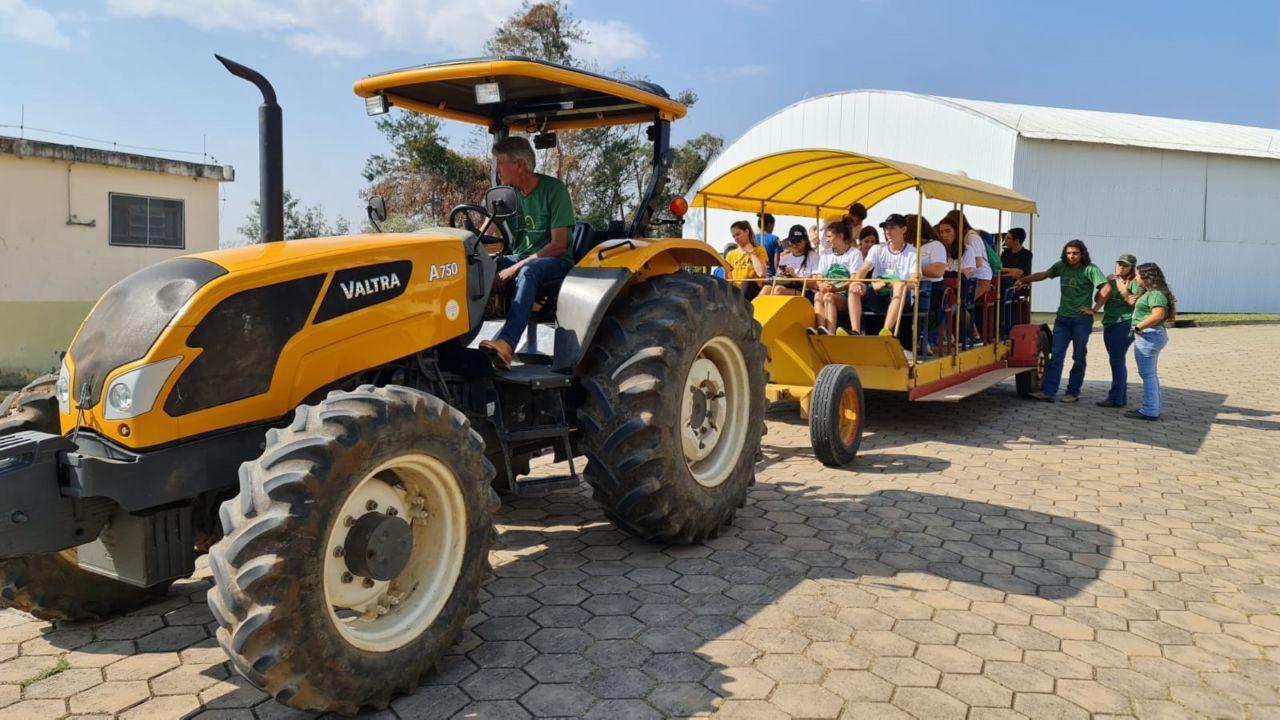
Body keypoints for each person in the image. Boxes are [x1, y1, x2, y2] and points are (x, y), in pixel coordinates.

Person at [479, 136, 574, 370]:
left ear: (519, 165)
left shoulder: (554, 191)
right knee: (479, 266)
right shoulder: (507, 195)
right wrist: (470, 250)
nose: (497, 169)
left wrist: (515, 267)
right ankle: (458, 338)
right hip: (522, 257)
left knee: (528, 270)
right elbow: (486, 229)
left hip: (555, 261)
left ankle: (506, 343)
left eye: (500, 163)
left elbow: (558, 245)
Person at [1016, 239, 1107, 402]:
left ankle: (1073, 392)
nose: (1072, 256)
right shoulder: (1061, 266)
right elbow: (1043, 275)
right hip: (1062, 320)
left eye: (1075, 253)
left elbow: (1106, 288)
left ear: (1082, 254)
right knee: (1056, 356)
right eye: (1069, 253)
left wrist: (1094, 309)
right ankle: (1048, 392)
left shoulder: (1090, 269)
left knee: (1078, 357)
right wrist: (1023, 280)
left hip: (1081, 321)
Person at [855, 214, 918, 339]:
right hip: (877, 296)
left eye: (892, 227)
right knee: (854, 287)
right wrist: (856, 282)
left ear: (904, 229)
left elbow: (914, 282)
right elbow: (863, 269)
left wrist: (888, 283)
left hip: (901, 298)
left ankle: (886, 331)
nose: (888, 231)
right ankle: (855, 331)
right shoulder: (877, 249)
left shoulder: (913, 253)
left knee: (900, 285)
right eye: (886, 228)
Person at [1127, 263, 1175, 421]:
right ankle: (1152, 407)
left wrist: (1138, 328)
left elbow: (1158, 315)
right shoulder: (1152, 293)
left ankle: (1150, 410)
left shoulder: (1155, 294)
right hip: (1150, 335)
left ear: (1147, 277)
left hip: (1148, 336)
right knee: (1149, 374)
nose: (1135, 278)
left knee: (1147, 375)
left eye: (1137, 275)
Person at [1091, 254, 1140, 408]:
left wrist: (1120, 285)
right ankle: (1120, 396)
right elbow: (1098, 298)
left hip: (1125, 323)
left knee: (1117, 360)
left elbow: (1135, 305)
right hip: (1110, 322)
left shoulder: (1136, 283)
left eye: (1125, 265)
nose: (1120, 267)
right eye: (1119, 264)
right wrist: (1104, 285)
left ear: (1132, 268)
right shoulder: (1110, 279)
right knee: (1117, 360)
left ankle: (1115, 398)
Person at [905, 215, 947, 356]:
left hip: (931, 289)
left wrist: (914, 269)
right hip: (910, 286)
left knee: (917, 304)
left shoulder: (935, 246)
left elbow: (937, 270)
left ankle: (919, 340)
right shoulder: (908, 247)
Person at [812, 221, 862, 334]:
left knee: (828, 296)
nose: (827, 240)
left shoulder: (855, 253)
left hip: (844, 295)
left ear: (840, 236)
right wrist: (821, 285)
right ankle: (821, 330)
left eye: (829, 236)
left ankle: (830, 332)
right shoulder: (825, 254)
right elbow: (819, 276)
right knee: (818, 295)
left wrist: (836, 288)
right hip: (828, 290)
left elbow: (854, 278)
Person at [760, 225, 817, 297]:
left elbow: (815, 285)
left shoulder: (814, 257)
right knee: (766, 289)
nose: (794, 245)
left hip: (806, 292)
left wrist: (795, 277)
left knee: (778, 290)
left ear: (805, 241)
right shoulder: (785, 258)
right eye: (792, 241)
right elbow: (778, 278)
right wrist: (784, 276)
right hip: (787, 288)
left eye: (798, 241)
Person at [999, 228, 1033, 335]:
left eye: (1008, 238)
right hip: (1004, 284)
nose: (1005, 241)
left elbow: (1018, 274)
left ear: (1017, 241)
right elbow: (998, 269)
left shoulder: (1026, 254)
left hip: (1018, 288)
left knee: (1006, 295)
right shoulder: (1005, 253)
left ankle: (1008, 329)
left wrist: (1008, 271)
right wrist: (1012, 270)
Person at [726, 220, 768, 300]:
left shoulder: (759, 251)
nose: (736, 238)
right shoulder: (730, 255)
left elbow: (761, 273)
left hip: (753, 290)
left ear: (746, 232)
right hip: (735, 291)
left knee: (747, 282)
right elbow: (729, 280)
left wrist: (751, 252)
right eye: (733, 236)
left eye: (738, 234)